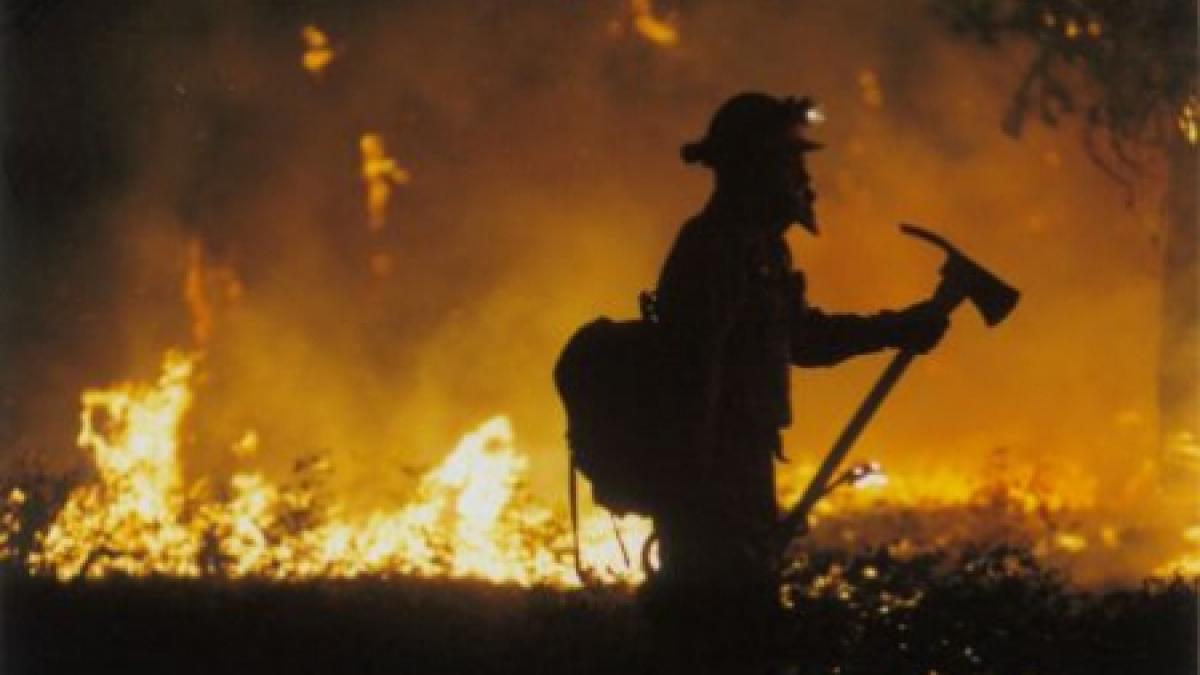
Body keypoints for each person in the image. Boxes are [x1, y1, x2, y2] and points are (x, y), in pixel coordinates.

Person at [641, 92, 949, 672]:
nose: (803, 179)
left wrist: (896, 328)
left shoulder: (761, 251)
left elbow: (803, 339)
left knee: (747, 627)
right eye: (790, 164)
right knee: (719, 638)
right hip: (710, 484)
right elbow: (694, 378)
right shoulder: (715, 251)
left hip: (741, 471)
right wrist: (704, 499)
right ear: (754, 169)